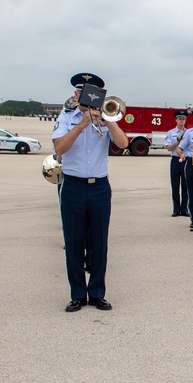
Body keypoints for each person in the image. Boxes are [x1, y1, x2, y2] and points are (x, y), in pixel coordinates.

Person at [53, 72, 130, 313]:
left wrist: (108, 121)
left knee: (99, 242)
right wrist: (82, 124)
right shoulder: (66, 117)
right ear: (76, 95)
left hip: (99, 187)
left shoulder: (105, 118)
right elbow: (59, 147)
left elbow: (123, 143)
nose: (84, 96)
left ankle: (97, 293)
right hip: (73, 186)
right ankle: (78, 294)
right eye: (81, 92)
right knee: (73, 242)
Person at [164, 110, 189, 217]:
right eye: (180, 119)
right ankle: (176, 209)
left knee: (185, 186)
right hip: (175, 160)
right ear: (176, 120)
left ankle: (184, 209)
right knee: (175, 186)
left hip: (185, 160)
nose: (181, 121)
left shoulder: (188, 133)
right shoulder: (171, 133)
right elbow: (168, 148)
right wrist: (178, 142)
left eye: (183, 119)